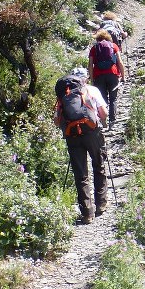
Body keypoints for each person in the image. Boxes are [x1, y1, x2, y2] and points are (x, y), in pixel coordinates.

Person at [54, 68, 108, 224]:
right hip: (92, 132)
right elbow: (103, 112)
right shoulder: (91, 90)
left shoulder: (64, 94)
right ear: (85, 79)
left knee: (81, 174)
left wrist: (68, 127)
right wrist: (102, 124)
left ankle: (87, 213)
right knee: (99, 165)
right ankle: (101, 204)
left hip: (72, 136)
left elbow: (57, 120)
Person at [88, 29, 125, 127]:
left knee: (102, 100)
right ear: (109, 38)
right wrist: (123, 76)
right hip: (113, 74)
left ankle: (103, 122)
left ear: (97, 39)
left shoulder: (94, 48)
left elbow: (90, 65)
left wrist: (92, 80)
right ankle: (112, 121)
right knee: (113, 99)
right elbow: (120, 62)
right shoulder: (114, 46)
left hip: (98, 76)